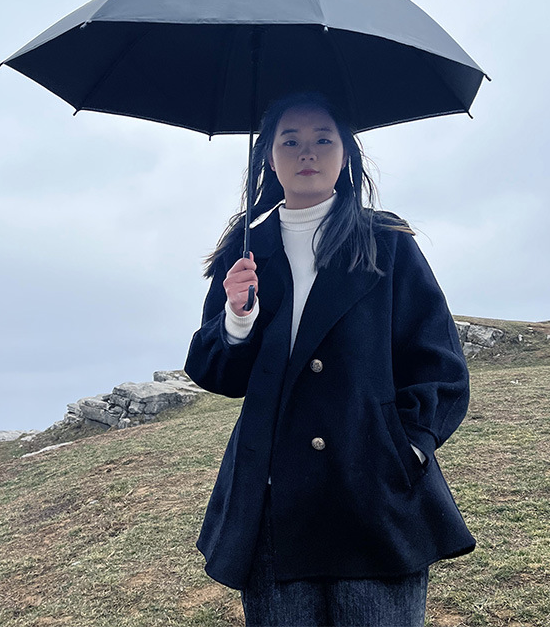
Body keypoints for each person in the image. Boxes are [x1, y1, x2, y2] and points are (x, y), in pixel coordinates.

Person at [184, 92, 475, 627]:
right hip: (274, 502)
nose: (307, 152)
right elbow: (214, 373)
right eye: (289, 141)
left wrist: (407, 448)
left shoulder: (385, 241)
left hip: (373, 495)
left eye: (323, 138)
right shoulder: (245, 250)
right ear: (268, 158)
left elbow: (439, 364)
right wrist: (237, 318)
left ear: (346, 153)